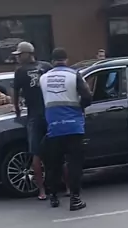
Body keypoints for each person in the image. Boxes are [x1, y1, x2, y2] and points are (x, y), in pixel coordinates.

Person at [40, 47, 92, 211]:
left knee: (53, 164)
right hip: (73, 126)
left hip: (54, 127)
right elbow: (87, 96)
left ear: (52, 61)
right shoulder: (74, 75)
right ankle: (75, 199)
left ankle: (53, 197)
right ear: (66, 60)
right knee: (74, 164)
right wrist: (80, 107)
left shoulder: (43, 78)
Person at [12, 41, 51, 200]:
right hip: (50, 113)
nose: (17, 58)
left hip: (34, 116)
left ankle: (41, 190)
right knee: (58, 150)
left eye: (19, 55)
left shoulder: (20, 71)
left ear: (27, 54)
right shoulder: (47, 66)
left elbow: (15, 93)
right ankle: (67, 187)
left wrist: (17, 111)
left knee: (36, 153)